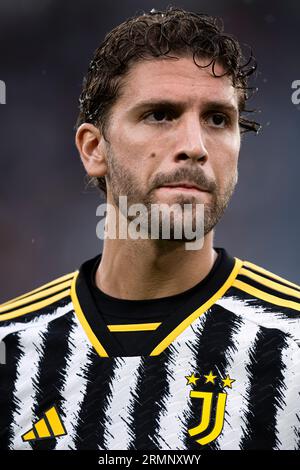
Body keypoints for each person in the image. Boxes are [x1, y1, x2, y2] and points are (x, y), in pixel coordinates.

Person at [0, 7, 299, 451]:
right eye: (160, 115)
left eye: (218, 119)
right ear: (93, 148)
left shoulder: (292, 350)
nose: (194, 147)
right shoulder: (11, 350)